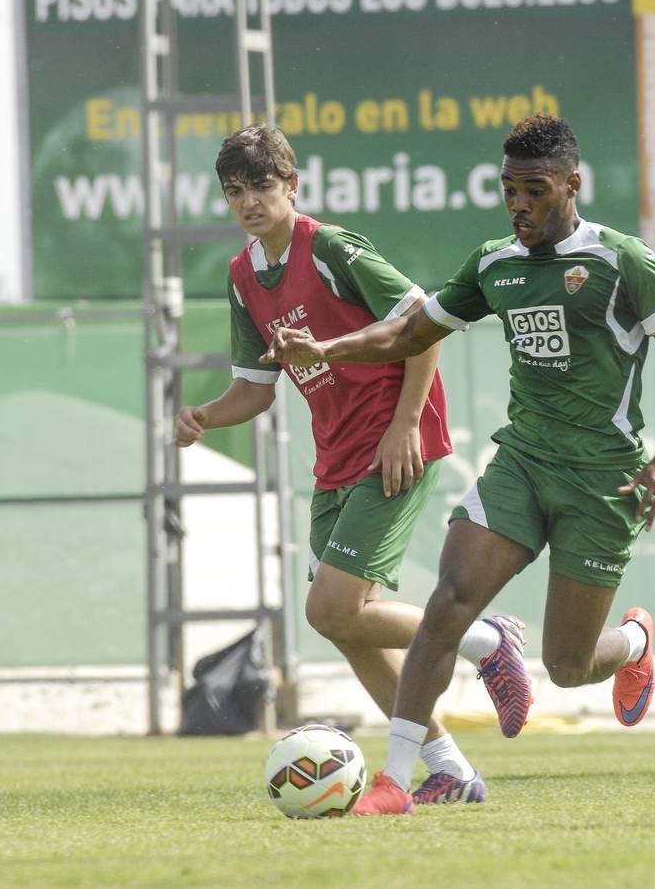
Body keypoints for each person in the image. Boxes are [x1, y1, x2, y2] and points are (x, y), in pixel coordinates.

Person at [262, 114, 655, 815]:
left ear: (572, 184)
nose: (519, 205)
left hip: (602, 481)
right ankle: (396, 781)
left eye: (534, 190)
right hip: (524, 464)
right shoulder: (494, 263)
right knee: (449, 602)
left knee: (567, 666)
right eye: (509, 190)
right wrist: (327, 350)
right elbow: (410, 330)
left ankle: (632, 642)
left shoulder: (619, 260)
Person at [175, 124, 532, 806]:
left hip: (392, 443)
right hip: (335, 458)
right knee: (346, 625)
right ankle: (449, 767)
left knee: (331, 606)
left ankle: (488, 638)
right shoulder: (242, 275)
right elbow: (255, 387)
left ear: (292, 186)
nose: (249, 201)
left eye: (262, 186)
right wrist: (204, 417)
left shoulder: (332, 247)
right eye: (235, 191)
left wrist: (404, 426)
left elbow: (423, 323)